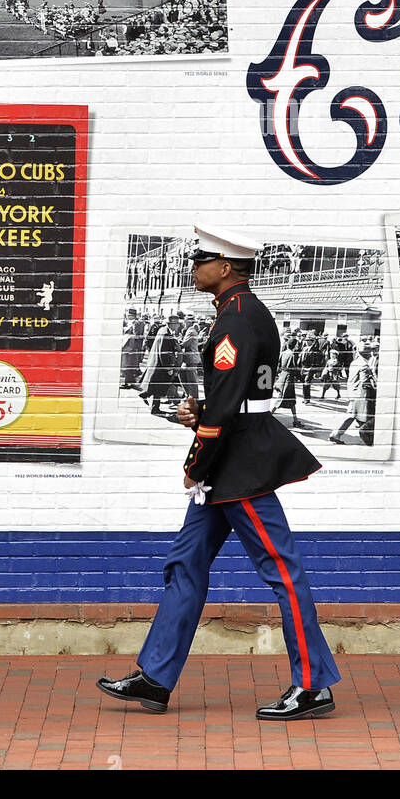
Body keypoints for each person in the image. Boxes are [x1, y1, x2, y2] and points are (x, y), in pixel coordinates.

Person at [97, 224, 341, 721]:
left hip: (236, 464)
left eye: (201, 259)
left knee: (283, 573)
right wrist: (204, 411)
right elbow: (238, 397)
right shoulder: (240, 312)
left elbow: (231, 407)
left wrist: (195, 463)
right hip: (231, 457)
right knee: (185, 565)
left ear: (224, 267)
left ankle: (313, 686)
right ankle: (156, 677)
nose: (193, 266)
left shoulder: (236, 318)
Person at [330, 344, 377, 445]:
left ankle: (336, 434)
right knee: (366, 418)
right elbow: (365, 383)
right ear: (367, 353)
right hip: (361, 395)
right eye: (370, 351)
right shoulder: (365, 365)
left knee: (352, 416)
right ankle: (369, 439)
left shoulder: (355, 362)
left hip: (353, 392)